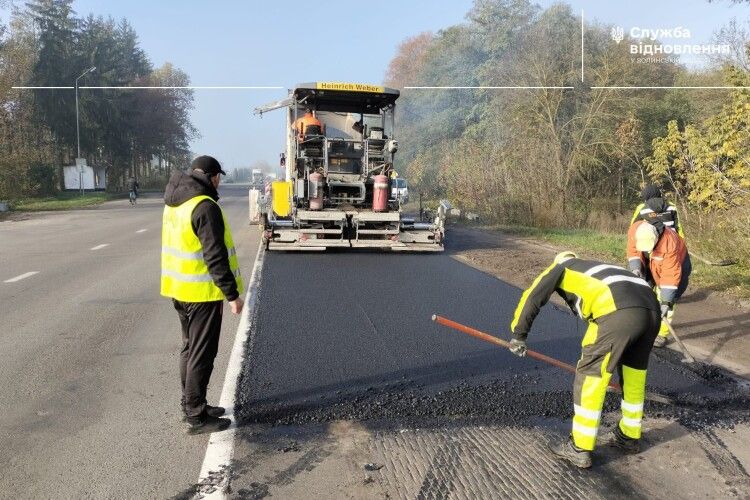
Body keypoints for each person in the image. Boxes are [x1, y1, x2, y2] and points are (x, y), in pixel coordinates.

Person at [509, 252, 661, 468]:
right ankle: (629, 436)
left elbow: (533, 296)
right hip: (651, 310)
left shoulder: (561, 268)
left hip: (618, 312)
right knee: (634, 375)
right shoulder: (596, 267)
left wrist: (519, 335)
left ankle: (579, 447)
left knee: (591, 375)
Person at [161, 155, 244, 434]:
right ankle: (196, 416)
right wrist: (232, 295)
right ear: (212, 176)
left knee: (189, 349)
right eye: (218, 176)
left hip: (179, 290)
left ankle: (192, 404)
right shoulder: (204, 206)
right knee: (201, 354)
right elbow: (215, 256)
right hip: (201, 293)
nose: (219, 180)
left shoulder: (176, 201)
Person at [627, 220, 691, 348]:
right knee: (645, 294)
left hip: (676, 268)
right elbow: (633, 250)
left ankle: (661, 333)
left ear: (656, 238)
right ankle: (645, 325)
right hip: (651, 263)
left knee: (666, 302)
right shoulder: (636, 230)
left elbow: (670, 276)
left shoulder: (669, 243)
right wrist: (636, 268)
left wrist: (666, 302)